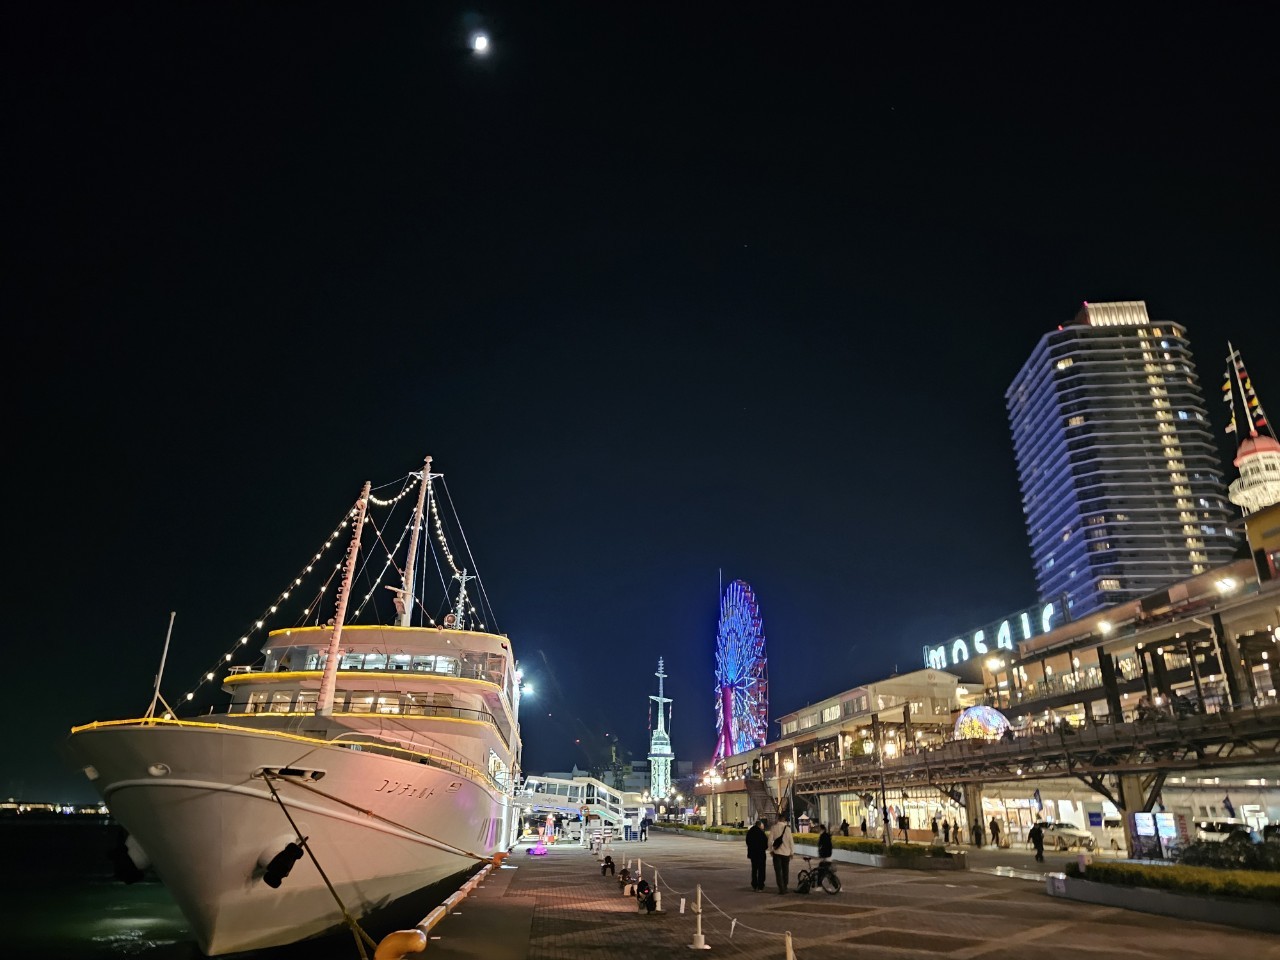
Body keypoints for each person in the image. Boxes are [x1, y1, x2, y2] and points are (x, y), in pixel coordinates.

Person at [769, 817, 793, 894]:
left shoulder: (773, 828)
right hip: (786, 853)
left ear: (778, 820)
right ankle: (785, 886)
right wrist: (792, 852)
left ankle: (781, 888)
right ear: (784, 820)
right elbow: (791, 841)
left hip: (777, 853)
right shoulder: (788, 829)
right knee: (785, 870)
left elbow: (770, 840)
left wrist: (771, 850)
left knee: (778, 871)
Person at [745, 819, 768, 891]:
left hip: (753, 853)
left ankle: (754, 884)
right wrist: (763, 848)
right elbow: (765, 843)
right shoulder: (761, 833)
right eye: (762, 825)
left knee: (754, 869)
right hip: (761, 854)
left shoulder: (750, 832)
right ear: (760, 825)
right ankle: (760, 885)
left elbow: (747, 842)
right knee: (761, 869)